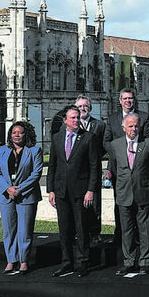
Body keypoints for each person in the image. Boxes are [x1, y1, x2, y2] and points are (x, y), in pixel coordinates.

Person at [46, 106, 100, 278]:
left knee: (81, 227)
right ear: (65, 120)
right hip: (61, 191)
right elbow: (52, 165)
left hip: (81, 191)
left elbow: (95, 166)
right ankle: (66, 262)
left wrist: (90, 190)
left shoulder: (89, 138)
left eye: (78, 117)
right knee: (64, 229)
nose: (76, 120)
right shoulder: (57, 138)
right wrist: (51, 190)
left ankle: (83, 262)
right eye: (73, 118)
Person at [108, 113, 149, 275]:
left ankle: (145, 261)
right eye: (130, 126)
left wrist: (142, 180)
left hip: (143, 192)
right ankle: (128, 261)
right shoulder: (115, 145)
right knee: (126, 230)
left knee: (145, 229)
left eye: (136, 126)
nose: (134, 129)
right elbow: (115, 168)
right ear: (124, 128)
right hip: (124, 193)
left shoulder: (148, 143)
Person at [0, 121, 43, 275]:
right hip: (6, 195)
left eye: (20, 132)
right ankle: (11, 260)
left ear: (26, 134)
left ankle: (23, 261)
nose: (16, 135)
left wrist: (19, 190)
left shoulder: (34, 151)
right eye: (14, 132)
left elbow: (36, 173)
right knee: (9, 230)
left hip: (26, 196)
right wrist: (7, 188)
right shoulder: (2, 150)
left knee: (24, 231)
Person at [75, 95, 106, 247]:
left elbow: (104, 146)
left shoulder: (99, 125)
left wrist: (94, 157)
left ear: (90, 108)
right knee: (78, 203)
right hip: (77, 171)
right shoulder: (71, 125)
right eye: (80, 106)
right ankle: (79, 233)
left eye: (85, 106)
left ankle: (95, 233)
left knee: (95, 202)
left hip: (93, 169)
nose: (83, 108)